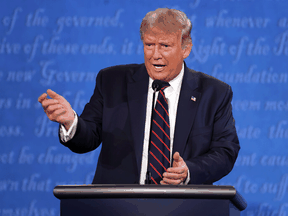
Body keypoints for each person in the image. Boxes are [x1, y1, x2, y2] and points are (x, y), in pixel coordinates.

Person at [38, 8, 240, 185]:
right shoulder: (111, 81)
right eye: (149, 45)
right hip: (118, 205)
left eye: (165, 46)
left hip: (184, 204)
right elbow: (88, 137)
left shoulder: (214, 93)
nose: (155, 55)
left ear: (185, 48)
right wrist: (71, 121)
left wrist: (188, 171)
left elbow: (225, 151)